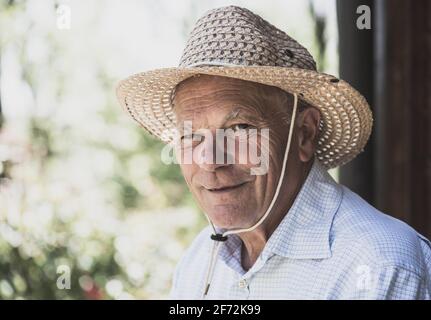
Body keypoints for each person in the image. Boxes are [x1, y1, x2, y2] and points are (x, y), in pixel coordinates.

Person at [116, 5, 431, 299]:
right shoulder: (199, 260)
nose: (209, 161)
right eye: (190, 135)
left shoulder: (379, 265)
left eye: (239, 128)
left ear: (304, 134)